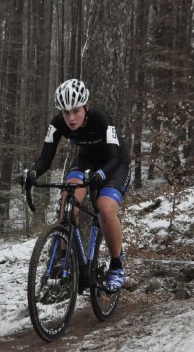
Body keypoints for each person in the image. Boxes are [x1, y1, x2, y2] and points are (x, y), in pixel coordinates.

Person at [21, 79, 131, 292]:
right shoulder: (58, 123)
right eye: (65, 112)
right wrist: (33, 173)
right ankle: (63, 257)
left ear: (86, 107)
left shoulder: (101, 119)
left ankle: (117, 266)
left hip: (114, 163)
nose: (70, 118)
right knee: (68, 197)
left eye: (75, 111)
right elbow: (45, 158)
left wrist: (100, 174)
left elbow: (115, 157)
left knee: (106, 209)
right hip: (86, 161)